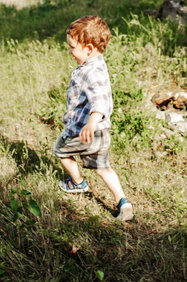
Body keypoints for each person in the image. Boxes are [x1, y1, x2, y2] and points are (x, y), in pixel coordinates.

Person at [53, 15, 133, 221]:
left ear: (88, 49)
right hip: (102, 133)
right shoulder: (98, 64)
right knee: (102, 168)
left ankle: (78, 182)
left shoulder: (90, 73)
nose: (69, 51)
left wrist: (91, 122)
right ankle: (122, 201)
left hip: (83, 131)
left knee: (60, 151)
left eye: (72, 47)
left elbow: (99, 101)